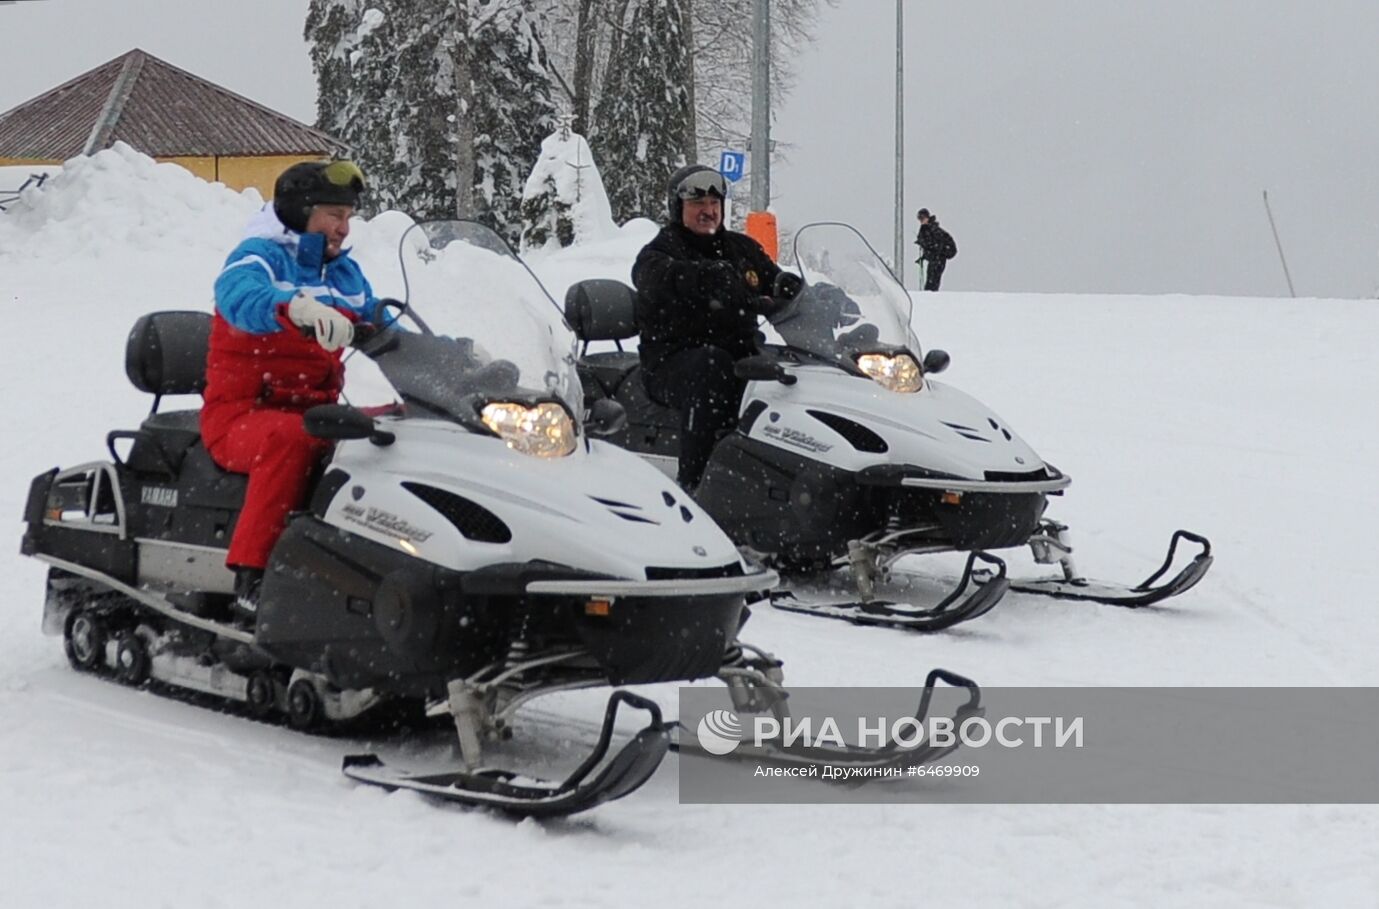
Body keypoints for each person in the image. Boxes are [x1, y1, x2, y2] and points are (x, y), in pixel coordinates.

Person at [201, 160, 379, 619]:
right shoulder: (258, 255)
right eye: (334, 215)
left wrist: (448, 354)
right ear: (301, 211)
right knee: (290, 440)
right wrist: (292, 309)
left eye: (348, 216)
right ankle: (253, 576)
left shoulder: (342, 273)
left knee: (391, 428)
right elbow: (237, 297)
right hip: (241, 416)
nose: (344, 227)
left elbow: (383, 320)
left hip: (316, 410)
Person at [632, 164, 801, 492]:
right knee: (712, 367)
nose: (708, 211)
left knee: (792, 372)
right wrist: (707, 279)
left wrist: (797, 290)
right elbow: (655, 278)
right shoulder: (659, 253)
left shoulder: (741, 249)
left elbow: (771, 277)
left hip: (739, 354)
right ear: (677, 207)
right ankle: (695, 485)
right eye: (698, 204)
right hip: (672, 362)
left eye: (714, 204)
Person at [914, 208, 958, 291]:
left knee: (933, 281)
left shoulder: (934, 230)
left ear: (927, 217)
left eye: (922, 218)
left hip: (938, 260)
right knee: (930, 281)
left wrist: (934, 252)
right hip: (934, 260)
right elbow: (929, 246)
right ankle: (929, 296)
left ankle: (931, 298)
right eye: (919, 218)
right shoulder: (925, 229)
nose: (921, 220)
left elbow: (935, 245)